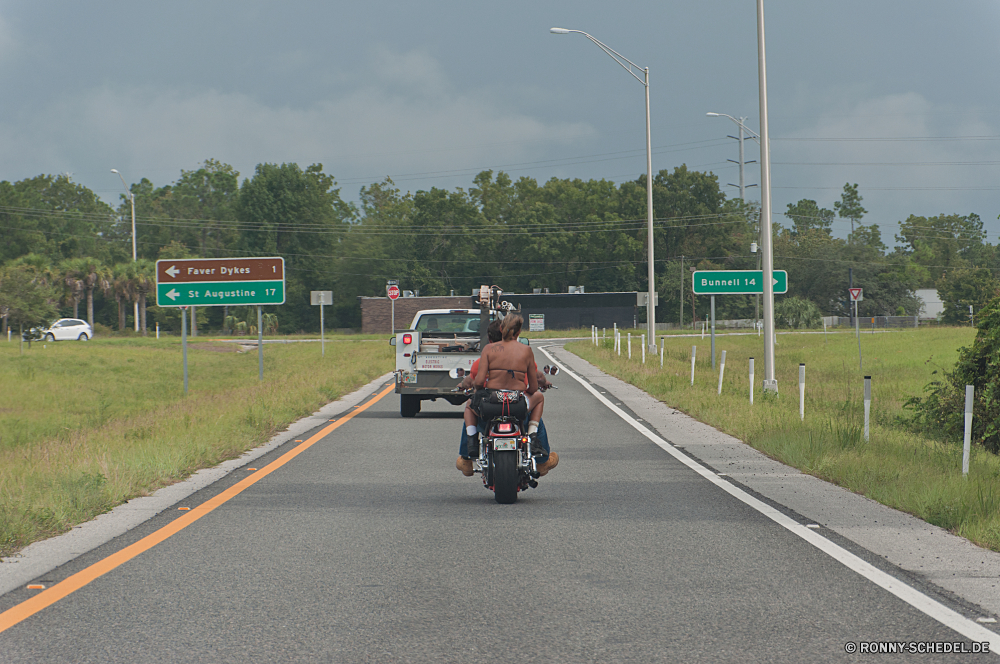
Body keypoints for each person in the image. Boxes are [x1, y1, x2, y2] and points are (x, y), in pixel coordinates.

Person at [456, 313, 559, 477]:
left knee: (469, 405)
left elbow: (478, 381)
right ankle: (532, 434)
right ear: (518, 333)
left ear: (501, 329)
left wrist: (481, 389)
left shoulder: (489, 349)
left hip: (492, 401)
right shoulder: (526, 351)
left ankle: (470, 443)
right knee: (539, 397)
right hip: (516, 403)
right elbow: (533, 387)